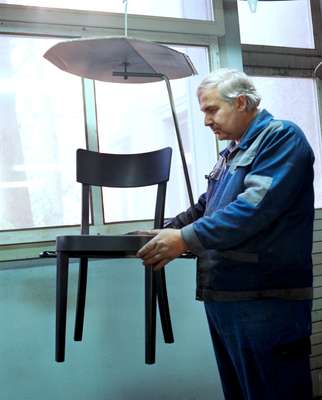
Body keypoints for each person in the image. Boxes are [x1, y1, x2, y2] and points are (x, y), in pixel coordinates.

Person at [137, 68, 315, 400]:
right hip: (227, 296)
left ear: (242, 102)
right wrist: (168, 230)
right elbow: (208, 206)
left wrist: (184, 239)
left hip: (266, 299)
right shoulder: (232, 152)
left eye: (211, 109)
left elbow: (252, 209)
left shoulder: (282, 138)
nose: (206, 120)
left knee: (275, 392)